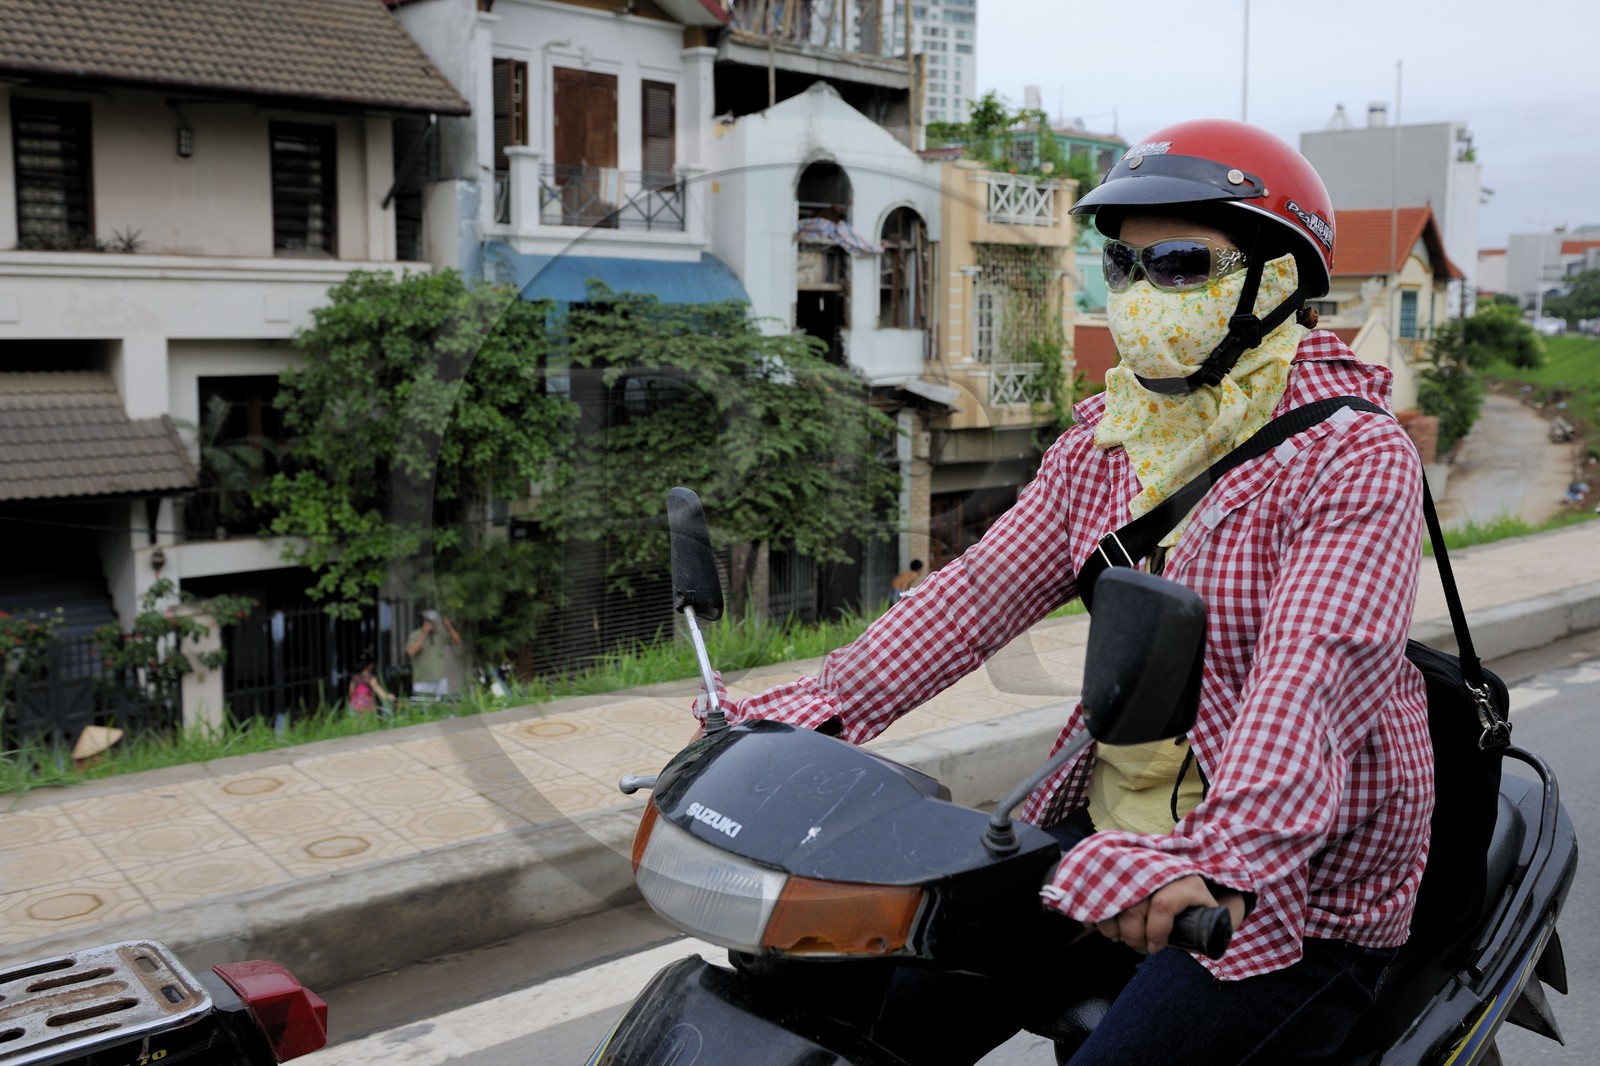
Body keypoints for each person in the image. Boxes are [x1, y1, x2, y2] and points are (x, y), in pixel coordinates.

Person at [691, 120, 1433, 1064]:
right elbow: (975, 596)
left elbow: (1313, 679)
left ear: (1275, 279)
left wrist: (1218, 860)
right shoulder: (1112, 441)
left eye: (1178, 263)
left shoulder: (1352, 456)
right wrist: (801, 717)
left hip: (1280, 884)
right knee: (867, 1022)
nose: (1139, 293)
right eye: (1123, 265)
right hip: (1109, 836)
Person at [406, 608, 461, 698]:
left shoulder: (439, 634)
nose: (434, 625)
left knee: (443, 704)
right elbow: (410, 652)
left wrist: (450, 628)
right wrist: (424, 634)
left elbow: (457, 641)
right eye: (431, 622)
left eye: (435, 622)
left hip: (440, 678)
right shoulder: (416, 634)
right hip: (422, 680)